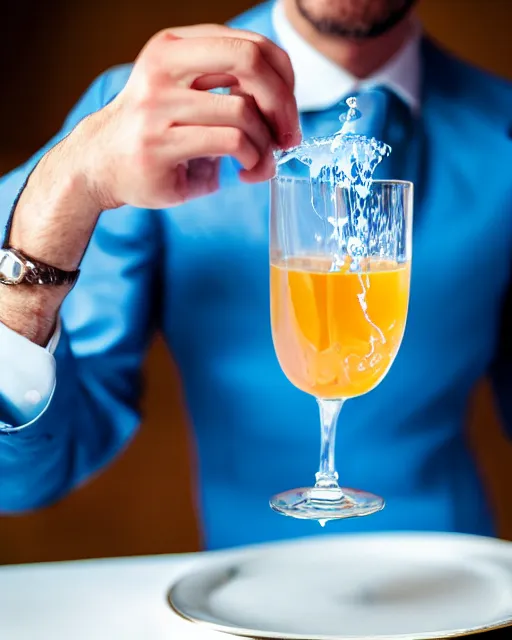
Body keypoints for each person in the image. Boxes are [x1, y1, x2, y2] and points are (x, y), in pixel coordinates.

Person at [0, 0, 511, 550]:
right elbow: (19, 476)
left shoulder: (502, 133)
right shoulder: (131, 124)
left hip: (459, 586)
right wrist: (59, 198)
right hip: (241, 591)